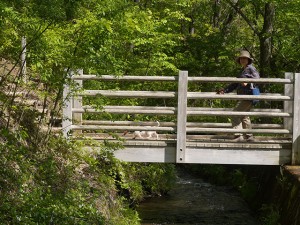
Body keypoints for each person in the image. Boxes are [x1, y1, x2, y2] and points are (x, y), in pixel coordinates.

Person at [217, 50, 260, 142]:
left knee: (235, 114)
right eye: (241, 58)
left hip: (248, 96)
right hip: (244, 96)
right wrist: (225, 90)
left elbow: (257, 79)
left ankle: (238, 136)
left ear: (248, 60)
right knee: (244, 116)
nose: (243, 60)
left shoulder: (251, 68)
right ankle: (249, 137)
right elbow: (235, 84)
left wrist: (247, 82)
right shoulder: (243, 71)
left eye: (245, 58)